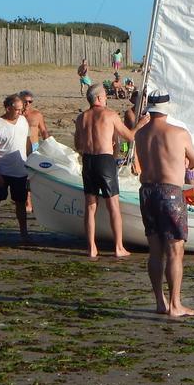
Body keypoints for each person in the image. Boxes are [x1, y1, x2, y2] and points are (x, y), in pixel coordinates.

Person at [134, 89, 194, 317]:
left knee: (155, 251)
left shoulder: (140, 135)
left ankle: (160, 302)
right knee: (175, 250)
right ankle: (175, 305)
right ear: (167, 108)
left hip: (147, 192)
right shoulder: (179, 133)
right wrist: (189, 165)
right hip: (169, 192)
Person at [74, 83, 136, 259]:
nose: (107, 99)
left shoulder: (81, 118)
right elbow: (130, 136)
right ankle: (118, 247)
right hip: (104, 161)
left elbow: (78, 145)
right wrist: (140, 125)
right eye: (105, 97)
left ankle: (91, 247)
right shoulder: (109, 114)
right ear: (99, 98)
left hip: (88, 161)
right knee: (113, 206)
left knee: (90, 206)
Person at [0, 94, 32, 245]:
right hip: (3, 171)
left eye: (21, 109)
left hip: (21, 171)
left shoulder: (23, 121)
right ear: (8, 108)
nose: (20, 112)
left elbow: (27, 142)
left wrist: (31, 162)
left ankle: (24, 235)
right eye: (17, 109)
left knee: (21, 203)